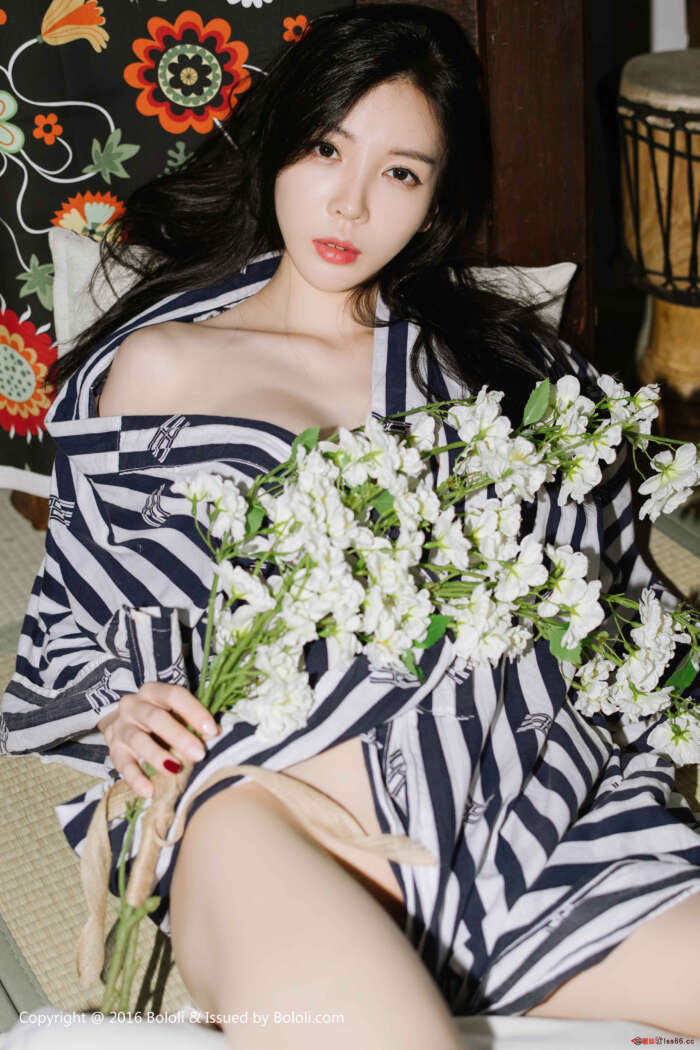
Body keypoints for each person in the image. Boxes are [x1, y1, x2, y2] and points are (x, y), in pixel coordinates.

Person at [2, 4, 700, 1046]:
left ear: (435, 200)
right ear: (279, 141)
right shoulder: (164, 366)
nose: (350, 201)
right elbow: (93, 599)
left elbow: (603, 579)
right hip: (268, 811)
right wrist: (122, 708)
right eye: (327, 148)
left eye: (400, 172)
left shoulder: (497, 368)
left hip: (530, 819)